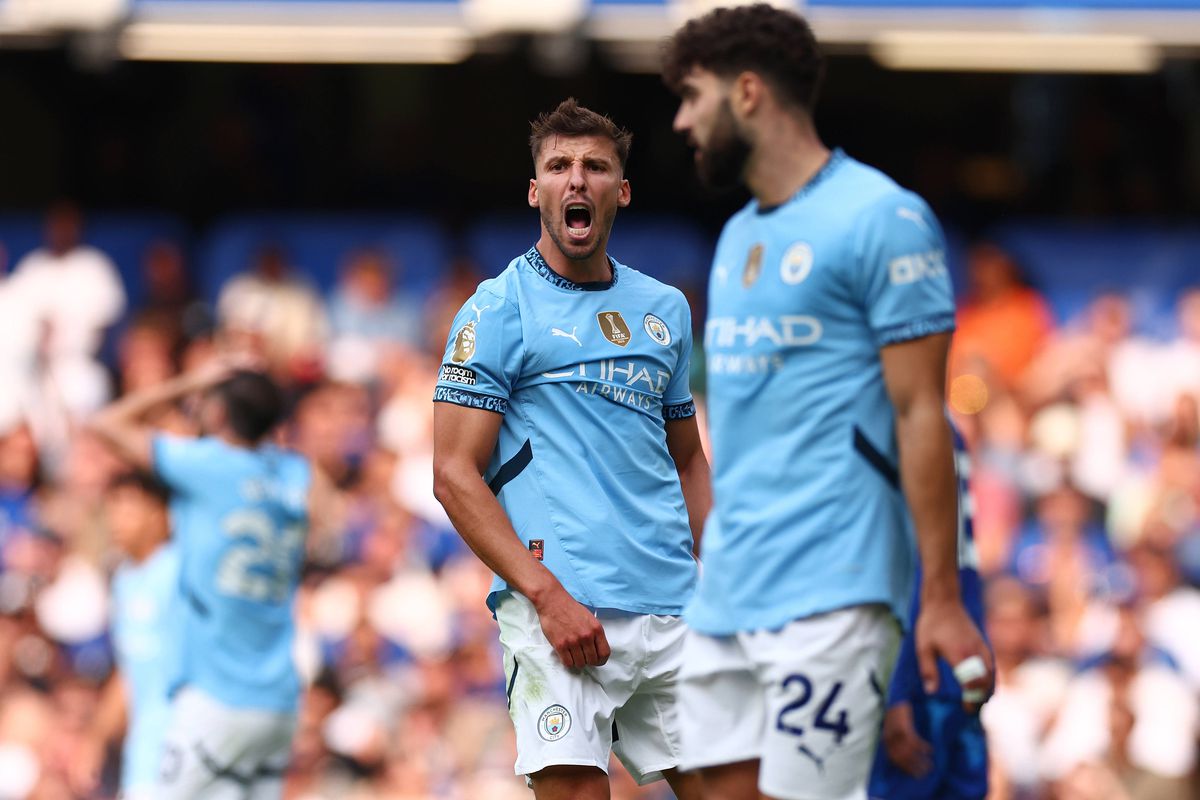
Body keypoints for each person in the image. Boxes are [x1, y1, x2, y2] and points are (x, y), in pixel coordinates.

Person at [662, 6, 993, 799]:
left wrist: (941, 599)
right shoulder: (737, 238)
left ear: (747, 93)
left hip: (836, 591)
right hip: (731, 588)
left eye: (693, 97)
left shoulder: (884, 218)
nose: (681, 121)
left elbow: (923, 417)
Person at [431, 98, 710, 800]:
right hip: (562, 609)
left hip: (673, 603)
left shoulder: (665, 309)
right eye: (558, 166)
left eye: (595, 166)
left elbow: (687, 460)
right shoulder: (497, 309)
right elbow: (453, 475)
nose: (576, 179)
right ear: (536, 192)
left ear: (623, 189)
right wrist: (546, 596)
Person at [88, 359, 334, 800]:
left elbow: (106, 423)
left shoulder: (209, 467)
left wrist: (189, 381)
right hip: (278, 703)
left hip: (217, 699)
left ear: (218, 412)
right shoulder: (294, 475)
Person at [869, 425, 990, 800]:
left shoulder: (912, 427)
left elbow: (907, 563)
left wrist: (895, 691)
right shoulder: (938, 428)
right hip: (947, 664)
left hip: (923, 669)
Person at [76, 472, 180, 800]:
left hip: (187, 742)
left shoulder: (181, 574)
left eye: (129, 510)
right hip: (145, 746)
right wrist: (95, 738)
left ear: (160, 514)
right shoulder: (124, 580)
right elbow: (130, 669)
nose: (117, 521)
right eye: (113, 509)